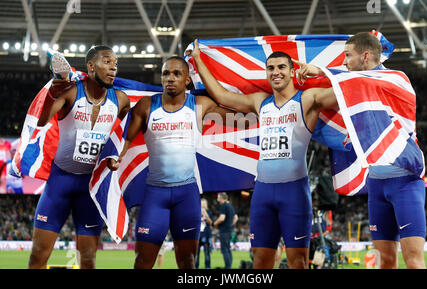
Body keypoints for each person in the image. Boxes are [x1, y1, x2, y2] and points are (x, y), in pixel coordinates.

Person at [190, 40, 338, 269]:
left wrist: (321, 72)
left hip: (294, 192)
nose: (276, 72)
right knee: (260, 259)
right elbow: (222, 96)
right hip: (263, 193)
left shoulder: (308, 99)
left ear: (292, 71)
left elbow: (345, 92)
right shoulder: (261, 102)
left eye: (281, 67)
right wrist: (199, 59)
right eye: (270, 68)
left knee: (298, 261)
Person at [297, 32, 426, 269]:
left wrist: (322, 71)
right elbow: (344, 93)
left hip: (405, 181)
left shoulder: (397, 78)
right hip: (376, 184)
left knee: (414, 261)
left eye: (348, 55)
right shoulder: (362, 93)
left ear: (365, 56)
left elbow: (364, 80)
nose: (345, 62)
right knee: (384, 261)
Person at [108, 56, 234, 269]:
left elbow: (236, 113)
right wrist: (118, 155)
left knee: (187, 262)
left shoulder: (200, 105)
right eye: (166, 73)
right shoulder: (147, 106)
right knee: (142, 261)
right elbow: (127, 138)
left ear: (187, 79)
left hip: (187, 195)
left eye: (177, 74)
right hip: (155, 195)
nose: (170, 78)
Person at [28, 45, 130, 269]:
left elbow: (124, 131)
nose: (113, 67)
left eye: (115, 64)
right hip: (60, 183)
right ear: (91, 66)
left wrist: (116, 154)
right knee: (38, 256)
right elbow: (42, 121)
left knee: (88, 260)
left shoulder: (121, 100)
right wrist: (53, 92)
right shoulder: (71, 92)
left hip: (90, 188)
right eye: (107, 61)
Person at [214, 192, 238, 269]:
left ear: (222, 198)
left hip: (224, 231)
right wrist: (230, 224)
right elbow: (236, 218)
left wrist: (215, 223)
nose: (217, 199)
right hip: (229, 230)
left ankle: (227, 267)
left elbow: (222, 218)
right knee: (228, 249)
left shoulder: (224, 206)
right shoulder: (230, 206)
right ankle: (229, 266)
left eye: (218, 198)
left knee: (224, 250)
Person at [196, 198, 213, 269]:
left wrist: (206, 215)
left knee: (207, 253)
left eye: (204, 204)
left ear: (206, 205)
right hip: (197, 235)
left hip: (206, 235)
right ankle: (195, 266)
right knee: (196, 253)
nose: (202, 205)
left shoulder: (209, 212)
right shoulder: (196, 212)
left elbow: (211, 223)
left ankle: (207, 266)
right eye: (201, 203)